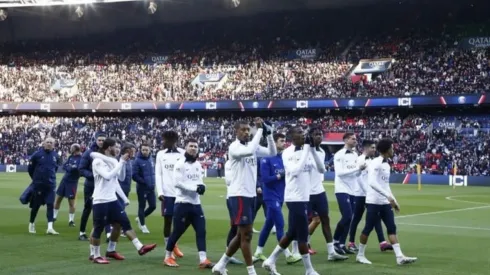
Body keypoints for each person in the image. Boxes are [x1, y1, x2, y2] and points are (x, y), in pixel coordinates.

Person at [212, 118, 276, 275]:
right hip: (239, 194)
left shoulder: (251, 145)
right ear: (236, 131)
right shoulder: (234, 147)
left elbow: (272, 153)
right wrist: (259, 130)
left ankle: (220, 265)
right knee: (246, 235)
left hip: (250, 194)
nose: (247, 132)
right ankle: (251, 271)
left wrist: (269, 135)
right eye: (243, 130)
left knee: (242, 234)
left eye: (248, 129)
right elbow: (249, 151)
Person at [89, 138, 156, 264]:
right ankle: (95, 255)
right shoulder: (97, 161)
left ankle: (137, 248)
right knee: (98, 227)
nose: (118, 150)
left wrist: (122, 163)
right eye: (116, 147)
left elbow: (119, 178)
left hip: (112, 199)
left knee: (122, 223)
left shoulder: (113, 161)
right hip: (101, 199)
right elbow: (108, 177)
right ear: (109, 148)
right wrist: (120, 162)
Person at [262, 127, 319, 275]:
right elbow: (294, 172)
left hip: (304, 197)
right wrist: (306, 150)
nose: (303, 135)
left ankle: (270, 260)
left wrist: (311, 149)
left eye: (303, 133)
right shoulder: (287, 153)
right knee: (303, 235)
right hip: (294, 197)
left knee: (291, 233)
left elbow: (321, 169)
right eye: (299, 133)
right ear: (292, 137)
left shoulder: (307, 150)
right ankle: (309, 270)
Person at [356, 138, 417, 265]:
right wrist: (388, 197)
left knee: (391, 227)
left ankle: (399, 257)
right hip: (373, 201)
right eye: (392, 148)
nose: (393, 150)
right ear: (387, 149)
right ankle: (360, 255)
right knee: (368, 228)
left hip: (384, 202)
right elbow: (372, 182)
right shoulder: (375, 163)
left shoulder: (386, 165)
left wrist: (393, 200)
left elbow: (385, 185)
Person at [163, 138, 214, 268]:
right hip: (182, 203)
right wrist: (195, 188)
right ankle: (167, 257)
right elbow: (177, 183)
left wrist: (203, 186)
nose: (193, 148)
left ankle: (203, 259)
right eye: (191, 146)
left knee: (201, 231)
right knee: (177, 232)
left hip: (196, 204)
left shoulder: (197, 165)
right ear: (186, 147)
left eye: (195, 146)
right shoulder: (180, 164)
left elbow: (199, 180)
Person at [253, 133, 301, 264]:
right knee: (279, 225)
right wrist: (280, 176)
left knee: (268, 224)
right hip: (270, 196)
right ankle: (288, 254)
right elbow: (265, 179)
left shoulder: (283, 157)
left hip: (281, 195)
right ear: (273, 143)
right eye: (281, 141)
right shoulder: (266, 159)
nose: (284, 143)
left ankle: (258, 252)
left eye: (284, 141)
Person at [307, 127, 349, 261]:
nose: (318, 136)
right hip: (306, 192)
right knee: (304, 222)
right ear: (310, 137)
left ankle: (331, 252)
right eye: (315, 134)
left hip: (319, 191)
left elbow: (321, 170)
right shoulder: (304, 151)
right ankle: (300, 247)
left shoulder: (322, 152)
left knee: (325, 219)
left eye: (320, 134)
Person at [348, 140, 393, 252]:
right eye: (372, 148)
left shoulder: (373, 161)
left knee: (375, 218)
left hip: (370, 194)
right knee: (356, 218)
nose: (374, 149)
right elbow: (358, 178)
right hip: (360, 194)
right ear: (366, 148)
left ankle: (382, 242)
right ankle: (351, 242)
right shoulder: (360, 160)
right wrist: (367, 191)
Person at [332, 133, 366, 254]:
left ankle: (341, 244)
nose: (355, 140)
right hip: (341, 189)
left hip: (353, 190)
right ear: (346, 140)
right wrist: (358, 169)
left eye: (356, 139)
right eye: (353, 139)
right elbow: (340, 173)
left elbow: (356, 175)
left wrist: (359, 172)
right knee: (347, 216)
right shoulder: (339, 155)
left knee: (349, 218)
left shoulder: (355, 154)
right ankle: (335, 241)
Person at [155, 130, 186, 258]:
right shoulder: (160, 154)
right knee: (167, 222)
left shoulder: (183, 153)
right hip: (167, 194)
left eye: (164, 140)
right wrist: (160, 191)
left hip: (180, 194)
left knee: (179, 222)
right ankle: (169, 249)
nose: (162, 142)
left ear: (172, 141)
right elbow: (158, 173)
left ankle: (174, 245)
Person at [78, 132, 112, 241]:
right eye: (99, 140)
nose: (101, 142)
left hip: (104, 186)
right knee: (88, 208)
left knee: (105, 209)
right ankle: (82, 232)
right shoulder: (89, 153)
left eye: (103, 140)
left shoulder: (108, 153)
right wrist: (94, 176)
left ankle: (107, 234)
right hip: (91, 185)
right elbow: (81, 169)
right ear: (96, 140)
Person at [28, 137, 61, 235]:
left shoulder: (56, 156)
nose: (49, 144)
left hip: (51, 185)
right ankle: (31, 223)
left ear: (54, 145)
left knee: (50, 205)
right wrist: (36, 179)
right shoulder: (37, 155)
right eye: (47, 142)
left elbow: (54, 169)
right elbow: (30, 169)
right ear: (43, 143)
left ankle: (50, 227)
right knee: (36, 206)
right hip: (39, 185)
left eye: (51, 142)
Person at [53, 143, 82, 227]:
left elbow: (76, 169)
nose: (71, 149)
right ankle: (54, 217)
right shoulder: (70, 157)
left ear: (76, 149)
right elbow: (64, 166)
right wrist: (70, 167)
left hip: (72, 182)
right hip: (64, 180)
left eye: (72, 148)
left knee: (71, 203)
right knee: (58, 199)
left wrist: (70, 167)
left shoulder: (81, 158)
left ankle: (71, 220)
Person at [133, 143, 157, 234]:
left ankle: (140, 218)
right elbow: (134, 175)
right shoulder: (137, 161)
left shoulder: (151, 159)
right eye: (143, 150)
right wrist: (144, 182)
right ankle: (143, 225)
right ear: (140, 150)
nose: (145, 151)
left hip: (151, 187)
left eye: (147, 150)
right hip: (142, 188)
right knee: (141, 206)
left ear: (150, 150)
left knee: (153, 206)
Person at [224, 160, 244, 265]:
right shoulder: (229, 163)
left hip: (242, 197)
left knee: (239, 226)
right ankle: (228, 253)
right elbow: (228, 180)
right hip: (232, 197)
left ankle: (230, 253)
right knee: (235, 226)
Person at [252, 158, 267, 234]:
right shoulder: (258, 159)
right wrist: (258, 186)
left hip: (266, 187)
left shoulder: (267, 157)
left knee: (267, 208)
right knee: (255, 207)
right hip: (260, 188)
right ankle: (250, 225)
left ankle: (272, 226)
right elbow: (256, 174)